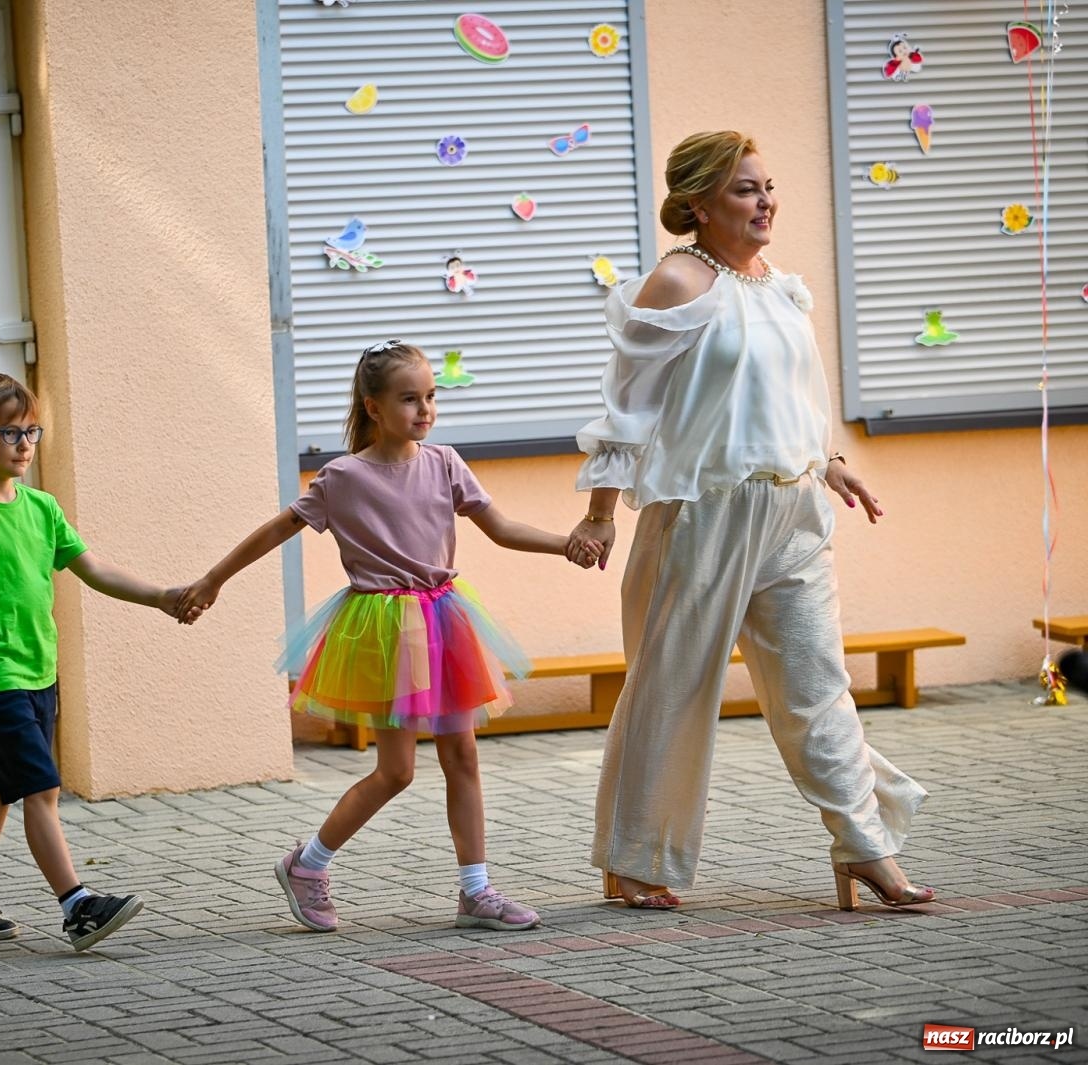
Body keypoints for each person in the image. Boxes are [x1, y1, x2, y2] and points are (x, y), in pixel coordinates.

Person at [569, 131, 934, 912]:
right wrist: (600, 513)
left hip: (793, 508)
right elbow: (625, 413)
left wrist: (830, 462)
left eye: (768, 186)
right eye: (744, 189)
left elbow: (792, 399)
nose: (765, 201)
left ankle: (867, 847)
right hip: (703, 515)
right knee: (672, 688)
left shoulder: (780, 286)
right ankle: (633, 857)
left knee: (818, 686)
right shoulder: (674, 282)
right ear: (698, 204)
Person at [178, 340, 600, 933]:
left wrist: (567, 544)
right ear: (373, 407)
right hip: (381, 628)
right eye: (409, 399)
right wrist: (213, 579)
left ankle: (475, 892)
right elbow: (277, 529)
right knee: (396, 771)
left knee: (463, 755)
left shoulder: (445, 462)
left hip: (444, 620)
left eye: (430, 396)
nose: (424, 409)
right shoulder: (343, 477)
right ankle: (307, 864)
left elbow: (500, 528)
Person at [0, 372, 189, 951]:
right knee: (41, 789)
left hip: (40, 670)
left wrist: (162, 596)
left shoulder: (42, 509)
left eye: (32, 432)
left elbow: (96, 570)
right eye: (9, 433)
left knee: (0, 787)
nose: (25, 444)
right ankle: (77, 906)